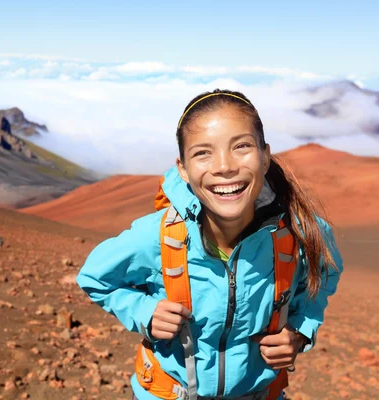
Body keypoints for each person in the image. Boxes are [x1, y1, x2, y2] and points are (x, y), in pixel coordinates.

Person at [76, 89, 343, 400]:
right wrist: (144, 311)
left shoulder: (302, 233)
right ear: (183, 169)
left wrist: (299, 330)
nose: (224, 166)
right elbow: (94, 278)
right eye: (203, 153)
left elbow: (324, 276)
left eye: (242, 146)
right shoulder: (157, 236)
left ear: (265, 155)